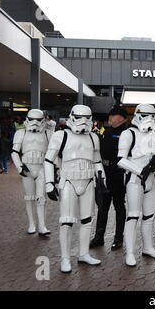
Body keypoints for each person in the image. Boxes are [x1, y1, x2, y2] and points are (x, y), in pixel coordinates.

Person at [44, 105, 104, 273]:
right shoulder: (60, 135)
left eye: (87, 118)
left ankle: (83, 254)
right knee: (66, 221)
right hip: (69, 181)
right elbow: (48, 160)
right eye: (79, 117)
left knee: (87, 220)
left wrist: (102, 181)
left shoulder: (93, 137)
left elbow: (97, 160)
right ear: (71, 117)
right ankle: (65, 258)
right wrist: (49, 183)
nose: (83, 122)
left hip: (88, 182)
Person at [117, 104, 155, 267]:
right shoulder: (128, 133)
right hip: (134, 179)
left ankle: (148, 247)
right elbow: (120, 159)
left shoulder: (152, 134)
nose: (150, 119)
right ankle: (130, 253)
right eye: (146, 115)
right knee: (133, 216)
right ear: (137, 115)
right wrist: (140, 170)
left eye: (152, 116)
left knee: (149, 216)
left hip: (151, 179)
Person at [90, 105, 128, 250]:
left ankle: (118, 238)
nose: (110, 118)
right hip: (104, 173)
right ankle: (99, 237)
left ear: (121, 118)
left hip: (118, 174)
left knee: (119, 207)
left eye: (113, 116)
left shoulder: (126, 133)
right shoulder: (105, 130)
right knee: (102, 207)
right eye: (110, 115)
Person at [11, 109, 52, 235]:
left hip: (41, 168)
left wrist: (54, 172)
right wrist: (19, 167)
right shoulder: (20, 133)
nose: (35, 122)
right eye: (32, 119)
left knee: (41, 198)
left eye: (38, 120)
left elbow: (53, 154)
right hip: (27, 169)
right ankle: (31, 224)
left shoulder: (47, 133)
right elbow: (14, 152)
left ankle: (42, 226)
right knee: (29, 198)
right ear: (27, 119)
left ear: (43, 120)